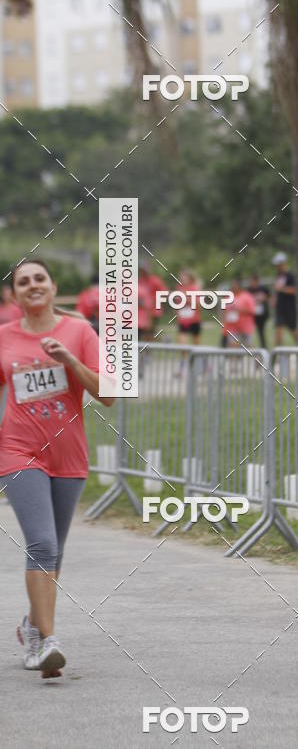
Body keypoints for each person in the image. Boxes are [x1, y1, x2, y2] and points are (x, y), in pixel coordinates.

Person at [0, 260, 115, 677]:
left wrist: (70, 360)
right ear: (14, 294)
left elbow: (109, 395)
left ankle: (31, 625)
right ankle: (46, 643)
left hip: (67, 454)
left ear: (53, 286)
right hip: (17, 451)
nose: (32, 285)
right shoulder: (4, 338)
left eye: (39, 279)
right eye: (22, 281)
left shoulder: (78, 332)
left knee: (53, 553)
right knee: (43, 545)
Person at [222, 279, 256, 348]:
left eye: (235, 285)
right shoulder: (228, 298)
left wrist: (240, 310)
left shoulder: (247, 297)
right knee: (233, 348)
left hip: (246, 327)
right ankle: (235, 359)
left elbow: (252, 311)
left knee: (249, 348)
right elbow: (225, 312)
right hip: (232, 328)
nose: (233, 287)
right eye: (232, 286)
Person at [272, 252, 297, 345]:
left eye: (278, 265)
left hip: (289, 307)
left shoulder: (290, 276)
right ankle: (279, 354)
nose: (277, 267)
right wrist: (274, 299)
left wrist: (282, 289)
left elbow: (294, 290)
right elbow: (276, 290)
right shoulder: (278, 276)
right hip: (280, 308)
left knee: (294, 330)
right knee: (278, 330)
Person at [175, 270, 202, 347]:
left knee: (196, 343)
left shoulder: (194, 288)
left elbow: (197, 304)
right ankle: (184, 359)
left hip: (194, 319)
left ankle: (198, 358)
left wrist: (185, 297)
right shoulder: (179, 288)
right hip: (183, 320)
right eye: (181, 277)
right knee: (182, 344)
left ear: (190, 278)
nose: (182, 279)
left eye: (185, 277)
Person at [248, 273, 270, 349]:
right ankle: (251, 348)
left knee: (261, 332)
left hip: (262, 314)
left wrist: (265, 298)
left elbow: (270, 299)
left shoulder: (263, 289)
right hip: (252, 314)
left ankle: (263, 347)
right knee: (249, 332)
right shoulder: (249, 290)